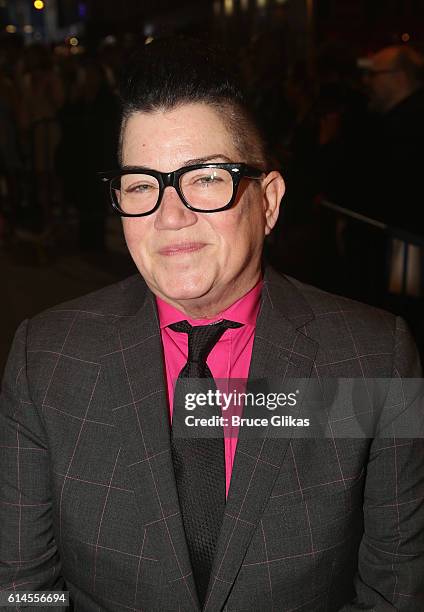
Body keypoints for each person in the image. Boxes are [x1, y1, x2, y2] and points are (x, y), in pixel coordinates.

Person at [0, 38, 423, 612]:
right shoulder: (46, 359)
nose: (170, 217)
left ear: (269, 201)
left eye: (205, 177)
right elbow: (24, 589)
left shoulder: (373, 357)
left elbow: (395, 591)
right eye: (142, 185)